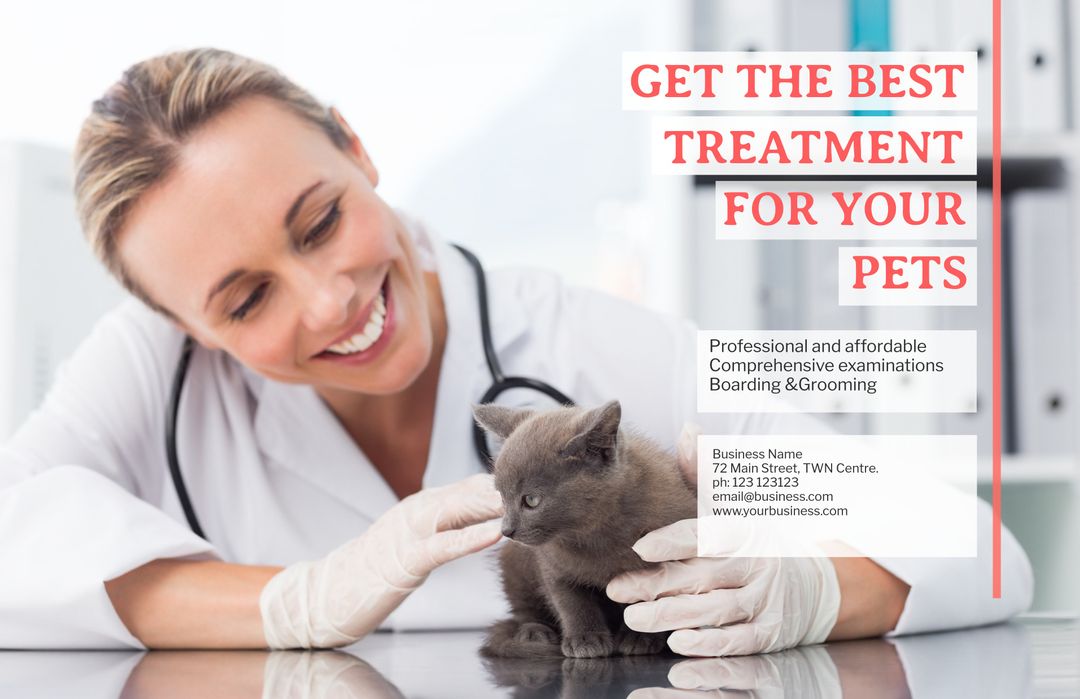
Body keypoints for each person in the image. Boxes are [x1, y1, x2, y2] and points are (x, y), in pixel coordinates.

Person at [0, 47, 1032, 652]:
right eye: (244, 299)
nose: (329, 301)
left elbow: (980, 553)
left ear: (358, 151)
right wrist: (293, 599)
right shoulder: (152, 370)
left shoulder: (596, 347)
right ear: (182, 323)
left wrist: (803, 592)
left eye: (320, 222)